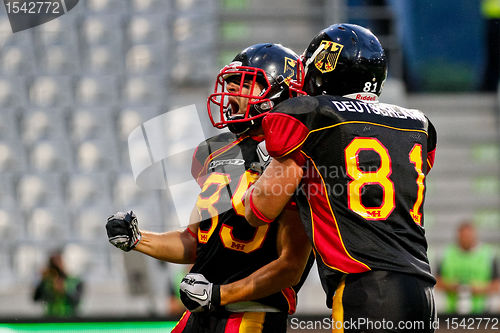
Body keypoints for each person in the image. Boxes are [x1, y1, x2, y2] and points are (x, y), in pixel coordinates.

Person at [106, 43, 312, 333]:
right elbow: (195, 243)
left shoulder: (296, 158)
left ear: (277, 92)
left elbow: (290, 267)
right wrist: (139, 239)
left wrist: (218, 294)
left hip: (252, 313)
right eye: (230, 85)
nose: (230, 94)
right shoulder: (214, 151)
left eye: (243, 85)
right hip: (200, 311)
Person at [244, 24, 438, 332]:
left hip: (366, 287)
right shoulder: (418, 123)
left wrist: (260, 178)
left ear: (322, 67)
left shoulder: (309, 113)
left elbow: (258, 211)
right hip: (422, 291)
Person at [436, 221, 500, 314]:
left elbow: (496, 285)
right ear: (458, 237)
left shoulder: (489, 255)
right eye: (463, 236)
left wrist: (478, 289)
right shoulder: (445, 254)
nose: (466, 239)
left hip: (482, 310)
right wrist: (452, 286)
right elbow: (437, 282)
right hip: (450, 310)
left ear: (475, 236)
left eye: (468, 236)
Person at [33, 249, 84, 318]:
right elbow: (36, 298)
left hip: (70, 320)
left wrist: (64, 290)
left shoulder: (75, 281)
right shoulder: (47, 281)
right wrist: (41, 279)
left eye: (59, 261)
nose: (56, 267)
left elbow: (77, 301)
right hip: (50, 320)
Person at [481, 0, 500, 91]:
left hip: (493, 18)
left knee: (493, 55)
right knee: (493, 55)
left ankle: (489, 86)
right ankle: (489, 86)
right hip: (493, 17)